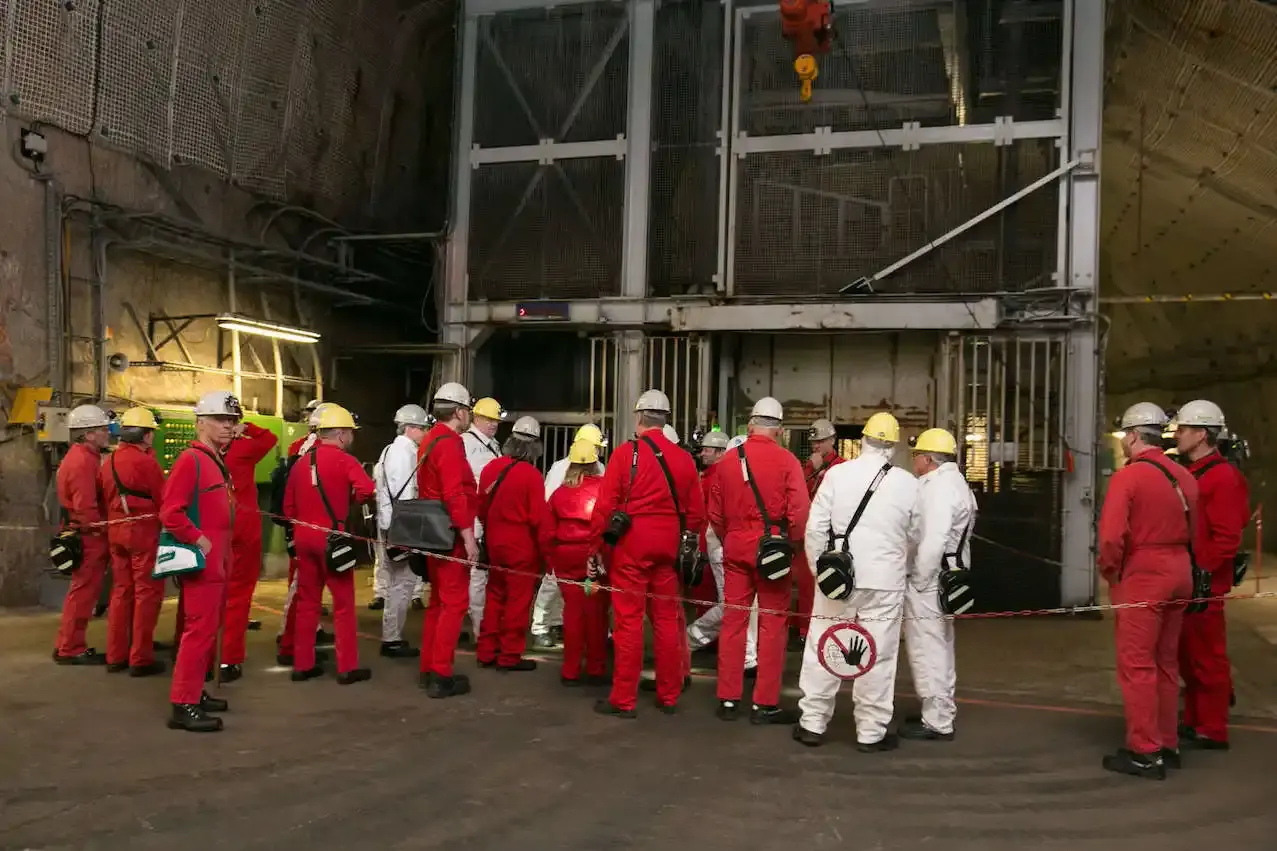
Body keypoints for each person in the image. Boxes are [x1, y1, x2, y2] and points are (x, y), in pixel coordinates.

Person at [795, 412, 917, 751]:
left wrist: (821, 573)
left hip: (839, 578)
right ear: (891, 447)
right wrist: (896, 564)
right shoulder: (907, 483)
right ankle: (871, 731)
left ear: (862, 440)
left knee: (825, 644)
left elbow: (815, 528)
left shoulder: (837, 475)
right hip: (884, 582)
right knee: (877, 654)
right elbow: (916, 535)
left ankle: (812, 723)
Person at [589, 389, 705, 718]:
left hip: (632, 547)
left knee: (628, 623)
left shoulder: (626, 454)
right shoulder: (684, 459)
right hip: (668, 547)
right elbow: (697, 513)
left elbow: (605, 507)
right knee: (668, 621)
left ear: (639, 418)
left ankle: (624, 699)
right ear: (665, 419)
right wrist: (686, 541)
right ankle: (669, 695)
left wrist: (595, 547)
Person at [1098, 402, 1198, 779]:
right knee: (1166, 663)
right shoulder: (1183, 476)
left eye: (1125, 434)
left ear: (1135, 436)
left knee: (1137, 665)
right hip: (1180, 571)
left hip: (1144, 573)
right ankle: (1167, 742)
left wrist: (1111, 572)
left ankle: (1144, 750)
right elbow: (1197, 531)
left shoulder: (1130, 477)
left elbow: (1111, 537)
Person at [709, 398, 809, 724]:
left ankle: (727, 698)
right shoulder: (787, 462)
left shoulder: (725, 462)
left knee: (734, 623)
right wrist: (789, 544)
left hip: (736, 548)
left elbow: (715, 513)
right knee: (772, 626)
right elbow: (800, 513)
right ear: (779, 430)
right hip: (773, 550)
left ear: (750, 426)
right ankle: (763, 703)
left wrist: (732, 538)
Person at [161, 391, 241, 732]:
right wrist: (198, 539)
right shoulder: (191, 461)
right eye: (221, 420)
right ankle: (183, 703)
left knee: (207, 631)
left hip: (219, 560)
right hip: (205, 561)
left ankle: (194, 692)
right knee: (198, 631)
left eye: (232, 421)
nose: (229, 426)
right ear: (201, 423)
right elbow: (170, 513)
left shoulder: (214, 460)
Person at [1173, 400, 1250, 752]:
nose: (1178, 433)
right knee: (1189, 658)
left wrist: (1203, 574)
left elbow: (1227, 537)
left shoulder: (1221, 477)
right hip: (1190, 581)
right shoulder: (1195, 472)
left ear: (1202, 434)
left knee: (1207, 659)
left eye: (1184, 428)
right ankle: (1195, 720)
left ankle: (1213, 728)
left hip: (1204, 585)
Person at [283, 404, 376, 684]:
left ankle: (303, 664)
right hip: (332, 540)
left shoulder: (301, 462)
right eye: (350, 433)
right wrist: (350, 504)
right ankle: (346, 667)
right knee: (344, 604)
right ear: (342, 434)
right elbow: (367, 490)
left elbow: (288, 507)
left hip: (303, 538)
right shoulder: (346, 461)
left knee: (308, 602)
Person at [900, 428, 974, 741]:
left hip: (931, 579)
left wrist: (918, 579)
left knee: (926, 647)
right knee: (941, 645)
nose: (914, 459)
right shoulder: (955, 483)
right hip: (949, 574)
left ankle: (937, 721)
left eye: (916, 454)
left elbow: (933, 539)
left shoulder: (938, 488)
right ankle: (939, 709)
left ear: (928, 459)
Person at [417, 382, 481, 699]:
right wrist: (469, 538)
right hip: (450, 534)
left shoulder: (429, 440)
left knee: (438, 602)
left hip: (432, 531)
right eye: (467, 409)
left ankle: (429, 667)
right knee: (454, 604)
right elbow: (454, 493)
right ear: (458, 412)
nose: (468, 415)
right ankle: (441, 674)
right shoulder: (450, 442)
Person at [476, 416, 548, 671]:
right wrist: (546, 555)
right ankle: (509, 655)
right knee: (518, 602)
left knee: (494, 596)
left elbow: (481, 507)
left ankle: (486, 651)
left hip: (495, 543)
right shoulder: (532, 476)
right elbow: (540, 519)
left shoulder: (491, 469)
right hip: (521, 548)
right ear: (535, 447)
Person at [99, 407, 167, 676]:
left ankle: (116, 655)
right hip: (143, 533)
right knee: (146, 595)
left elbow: (103, 496)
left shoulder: (109, 462)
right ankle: (140, 658)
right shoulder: (146, 463)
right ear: (145, 435)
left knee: (121, 592)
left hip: (116, 532)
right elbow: (163, 499)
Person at [540, 439, 610, 687]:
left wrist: (550, 562)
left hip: (565, 559)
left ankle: (570, 670)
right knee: (596, 614)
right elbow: (607, 527)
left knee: (571, 613)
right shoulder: (604, 488)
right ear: (595, 462)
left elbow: (546, 532)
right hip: (593, 560)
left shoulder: (559, 493)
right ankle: (595, 668)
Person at [52, 404, 114, 666]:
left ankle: (68, 644)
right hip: (88, 537)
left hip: (85, 533)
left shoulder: (82, 457)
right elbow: (85, 507)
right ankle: (70, 648)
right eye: (102, 429)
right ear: (88, 434)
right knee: (83, 594)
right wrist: (105, 528)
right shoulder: (82, 462)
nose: (107, 433)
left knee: (82, 593)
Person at [219, 417, 278, 682]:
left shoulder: (198, 454)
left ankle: (201, 653)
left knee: (207, 595)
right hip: (243, 528)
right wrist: (248, 428)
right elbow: (269, 439)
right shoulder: (242, 450)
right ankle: (228, 659)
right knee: (238, 596)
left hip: (213, 529)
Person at [276, 402, 335, 666]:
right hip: (309, 529)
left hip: (302, 528)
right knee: (301, 589)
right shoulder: (306, 450)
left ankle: (304, 636)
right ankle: (289, 641)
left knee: (305, 589)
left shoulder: (299, 447)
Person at [372, 404, 432, 658]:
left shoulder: (388, 451)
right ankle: (392, 639)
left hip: (389, 524)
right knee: (401, 584)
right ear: (410, 428)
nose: (425, 432)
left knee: (396, 582)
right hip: (401, 527)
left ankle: (392, 636)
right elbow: (405, 496)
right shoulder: (404, 454)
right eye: (422, 428)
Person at [791, 418, 844, 647]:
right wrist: (812, 468)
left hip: (833, 536)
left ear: (832, 441)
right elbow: (798, 494)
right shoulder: (807, 467)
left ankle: (829, 631)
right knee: (805, 584)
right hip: (809, 535)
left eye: (821, 441)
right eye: (814, 442)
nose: (816, 446)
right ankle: (804, 631)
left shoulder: (842, 467)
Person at [463, 397, 505, 638]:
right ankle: (480, 628)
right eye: (489, 419)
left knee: (483, 574)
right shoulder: (466, 442)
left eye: (496, 420)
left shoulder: (494, 444)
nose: (493, 424)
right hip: (474, 517)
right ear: (476, 417)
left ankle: (482, 624)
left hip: (489, 516)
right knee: (476, 575)